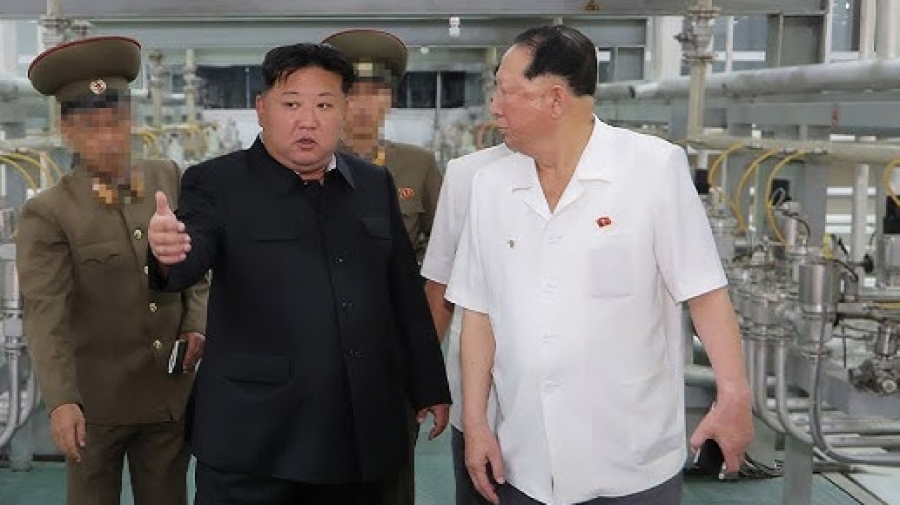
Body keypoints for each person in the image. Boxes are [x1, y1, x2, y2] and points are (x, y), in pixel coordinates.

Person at [446, 25, 754, 505]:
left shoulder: (653, 169)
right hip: (523, 459)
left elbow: (705, 292)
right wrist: (476, 424)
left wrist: (734, 396)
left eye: (507, 91)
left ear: (554, 99)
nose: (495, 107)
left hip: (629, 459)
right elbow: (478, 312)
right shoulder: (490, 186)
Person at [146, 42, 451, 505]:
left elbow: (403, 291)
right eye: (291, 105)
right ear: (262, 109)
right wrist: (168, 253)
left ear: (343, 111)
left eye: (324, 105)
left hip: (360, 429)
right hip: (256, 439)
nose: (308, 121)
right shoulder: (217, 182)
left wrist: (428, 383)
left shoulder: (372, 184)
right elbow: (191, 254)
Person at [17, 36, 209, 505]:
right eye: (91, 126)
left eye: (116, 122)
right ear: (67, 131)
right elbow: (45, 313)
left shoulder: (166, 176)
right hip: (96, 404)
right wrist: (62, 400)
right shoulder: (50, 212)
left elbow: (195, 265)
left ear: (131, 120)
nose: (108, 137)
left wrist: (196, 323)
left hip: (168, 392)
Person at [421, 143, 512, 505]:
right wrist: (426, 379)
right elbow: (440, 281)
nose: (500, 113)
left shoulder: (637, 167)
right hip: (479, 401)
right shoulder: (467, 174)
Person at [324, 29, 443, 264]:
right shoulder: (314, 162)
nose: (363, 106)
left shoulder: (418, 165)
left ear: (389, 100)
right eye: (352, 93)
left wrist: (414, 273)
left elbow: (444, 242)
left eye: (374, 93)